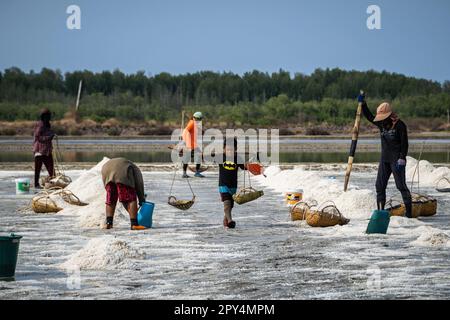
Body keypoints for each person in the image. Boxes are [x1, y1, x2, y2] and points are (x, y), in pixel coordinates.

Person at [358, 93, 413, 218]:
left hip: (397, 160)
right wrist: (363, 104)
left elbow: (405, 144)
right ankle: (381, 213)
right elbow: (370, 117)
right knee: (379, 186)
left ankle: (409, 213)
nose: (381, 119)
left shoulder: (400, 125)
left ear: (389, 115)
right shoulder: (381, 123)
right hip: (385, 160)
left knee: (401, 186)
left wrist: (402, 158)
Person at [101, 158, 148, 230]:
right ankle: (134, 224)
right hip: (122, 172)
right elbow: (139, 184)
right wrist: (142, 199)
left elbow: (107, 186)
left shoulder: (129, 165)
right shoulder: (136, 169)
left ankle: (109, 223)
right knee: (131, 198)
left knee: (111, 198)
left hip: (106, 169)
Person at [218, 137, 247, 229]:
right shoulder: (220, 157)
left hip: (233, 186)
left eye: (232, 150)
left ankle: (226, 220)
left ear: (236, 149)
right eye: (227, 149)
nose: (230, 151)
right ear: (224, 149)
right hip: (223, 185)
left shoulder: (238, 158)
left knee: (230, 205)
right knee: (227, 203)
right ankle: (230, 221)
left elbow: (244, 167)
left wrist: (250, 166)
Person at [33, 108, 55, 189]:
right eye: (48, 116)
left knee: (51, 170)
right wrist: (50, 137)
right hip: (39, 151)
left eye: (49, 116)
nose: (49, 117)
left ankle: (54, 184)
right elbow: (38, 137)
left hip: (47, 151)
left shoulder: (47, 125)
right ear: (43, 117)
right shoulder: (40, 125)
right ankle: (36, 184)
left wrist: (52, 135)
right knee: (37, 169)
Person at [182, 111, 204, 178]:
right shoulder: (192, 123)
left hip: (193, 144)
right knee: (187, 158)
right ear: (195, 118)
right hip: (189, 145)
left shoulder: (193, 122)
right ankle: (187, 173)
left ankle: (188, 173)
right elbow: (186, 131)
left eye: (200, 119)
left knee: (198, 156)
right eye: (199, 119)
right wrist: (186, 143)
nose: (200, 120)